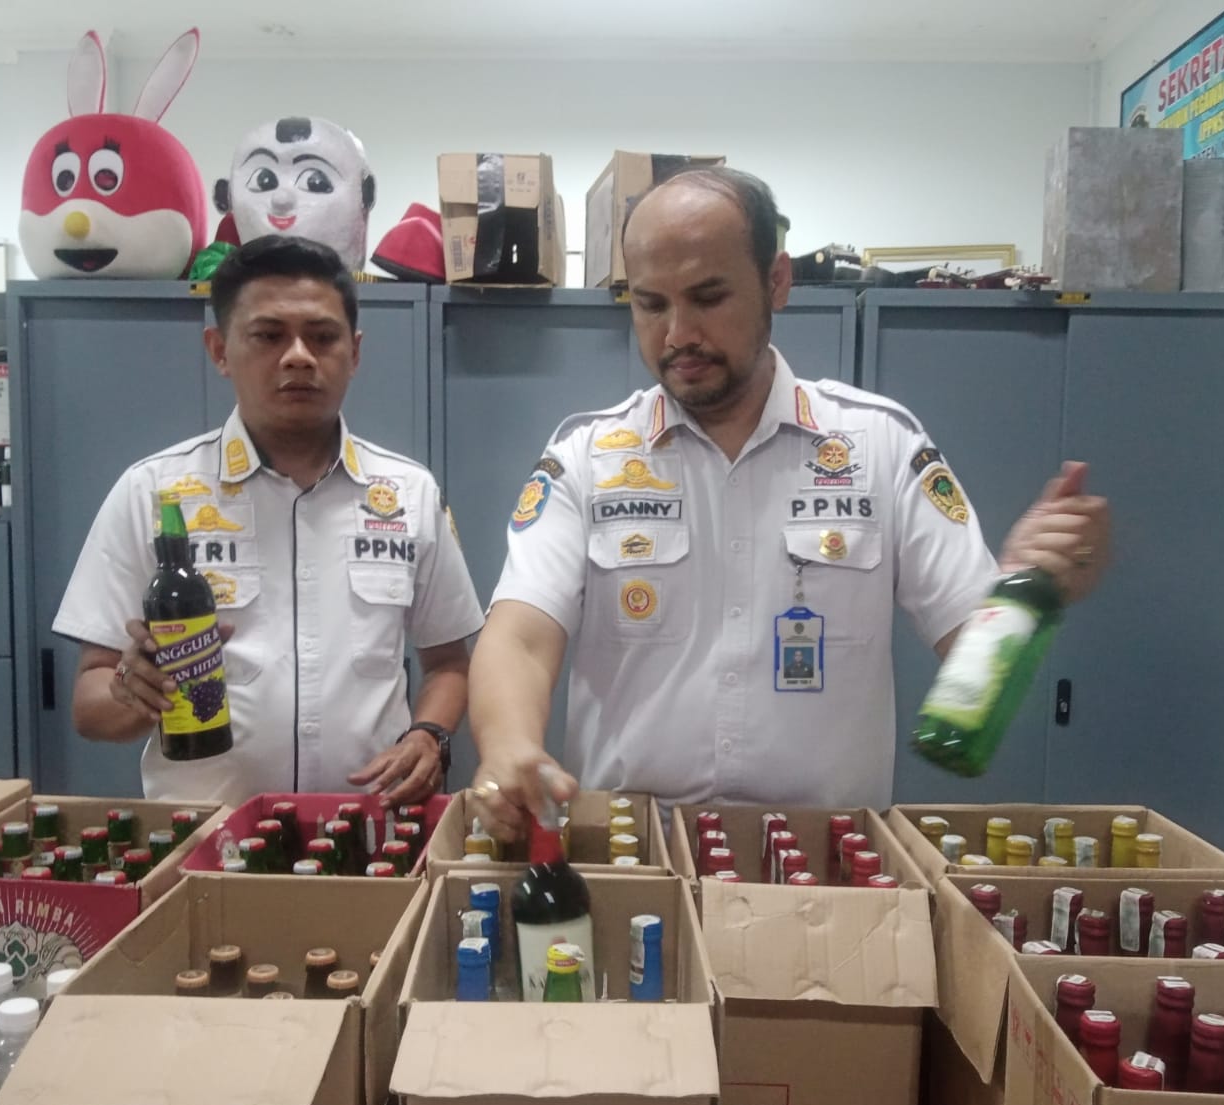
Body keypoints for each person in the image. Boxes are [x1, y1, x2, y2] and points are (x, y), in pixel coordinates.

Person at [468, 167, 1111, 839]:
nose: (677, 333)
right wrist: (508, 744)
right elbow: (520, 634)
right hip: (637, 854)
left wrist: (1030, 587)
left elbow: (967, 643)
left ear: (776, 281)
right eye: (651, 304)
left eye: (708, 296)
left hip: (825, 861)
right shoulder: (587, 455)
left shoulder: (880, 445)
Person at [54, 235, 482, 807]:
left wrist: (429, 734)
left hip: (364, 831)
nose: (298, 356)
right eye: (268, 335)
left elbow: (450, 663)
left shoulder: (408, 494)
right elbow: (89, 706)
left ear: (355, 353)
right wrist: (134, 692)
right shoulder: (154, 494)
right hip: (206, 834)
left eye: (322, 337)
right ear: (219, 350)